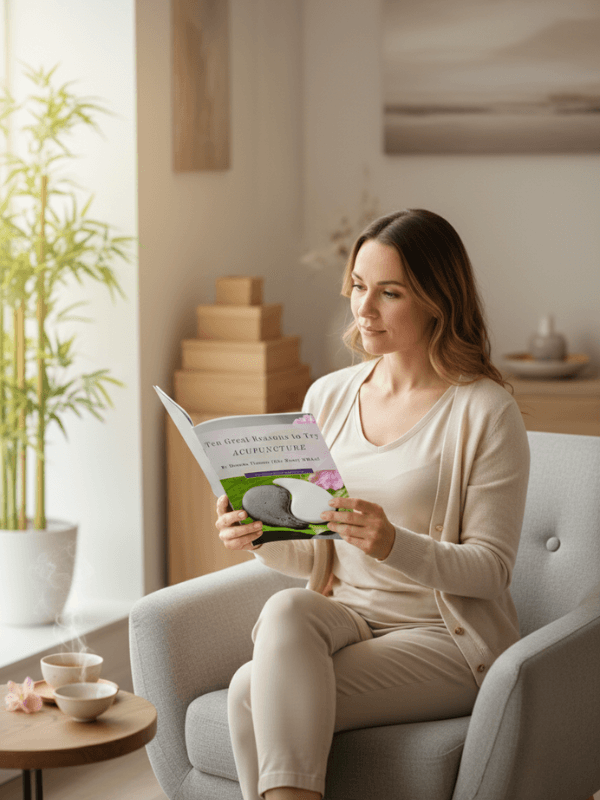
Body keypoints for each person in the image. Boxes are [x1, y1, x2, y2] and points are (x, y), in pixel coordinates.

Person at [215, 208, 530, 800]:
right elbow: (315, 558)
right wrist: (262, 537)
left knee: (248, 690)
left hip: (444, 638)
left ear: (438, 300)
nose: (365, 308)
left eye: (389, 293)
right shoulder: (329, 394)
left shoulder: (486, 411)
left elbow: (492, 571)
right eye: (359, 286)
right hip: (348, 619)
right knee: (286, 610)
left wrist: (393, 544)